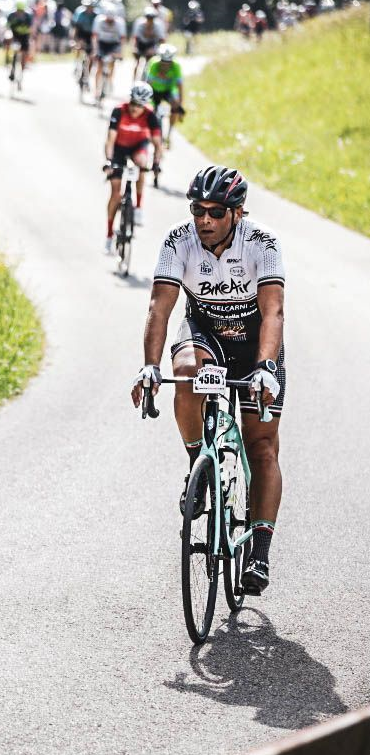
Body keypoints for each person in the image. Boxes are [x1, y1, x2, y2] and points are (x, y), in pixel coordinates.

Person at [131, 166, 286, 594]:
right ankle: (199, 467)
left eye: (215, 212)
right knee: (186, 376)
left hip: (256, 343)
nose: (204, 220)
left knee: (261, 446)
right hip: (207, 333)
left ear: (236, 213)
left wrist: (266, 367)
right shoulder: (178, 241)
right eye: (198, 210)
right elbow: (159, 309)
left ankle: (259, 551)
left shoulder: (263, 243)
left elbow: (273, 312)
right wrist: (148, 364)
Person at [103, 82, 162, 250]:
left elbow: (158, 144)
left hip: (138, 146)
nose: (135, 108)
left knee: (142, 164)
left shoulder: (151, 115)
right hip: (118, 149)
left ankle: (138, 206)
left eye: (140, 105)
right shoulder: (119, 111)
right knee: (115, 191)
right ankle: (108, 235)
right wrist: (109, 161)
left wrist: (156, 163)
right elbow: (110, 140)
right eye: (133, 103)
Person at [144, 44, 184, 148]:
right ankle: (147, 132)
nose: (165, 66)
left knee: (175, 106)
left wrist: (180, 105)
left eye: (168, 63)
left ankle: (169, 134)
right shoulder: (153, 64)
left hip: (168, 90)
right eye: (163, 63)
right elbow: (148, 85)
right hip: (154, 90)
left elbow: (180, 87)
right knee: (150, 109)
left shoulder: (176, 66)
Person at [92, 4, 127, 102]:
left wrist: (120, 53)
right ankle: (96, 90)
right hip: (102, 43)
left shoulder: (120, 23)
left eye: (111, 20)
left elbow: (122, 39)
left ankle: (109, 81)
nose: (109, 22)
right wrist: (95, 51)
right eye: (108, 20)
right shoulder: (99, 20)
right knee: (99, 67)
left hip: (114, 45)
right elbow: (95, 37)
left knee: (112, 64)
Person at [131, 7, 166, 80]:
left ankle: (147, 79)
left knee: (149, 63)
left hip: (151, 44)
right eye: (148, 18)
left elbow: (162, 40)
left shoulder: (158, 25)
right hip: (140, 44)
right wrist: (134, 48)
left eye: (152, 18)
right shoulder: (139, 23)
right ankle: (134, 81)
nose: (150, 20)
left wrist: (157, 49)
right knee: (136, 63)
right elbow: (135, 38)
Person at [7, 0, 33, 79]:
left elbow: (30, 28)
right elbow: (7, 27)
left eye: (21, 11)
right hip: (15, 35)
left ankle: (22, 71)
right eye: (18, 11)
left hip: (24, 36)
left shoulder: (28, 16)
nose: (19, 13)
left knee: (25, 52)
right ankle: (9, 63)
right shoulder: (11, 16)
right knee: (9, 41)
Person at [72, 0, 99, 67]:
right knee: (79, 46)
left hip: (92, 34)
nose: (89, 8)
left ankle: (87, 71)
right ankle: (76, 62)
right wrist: (74, 40)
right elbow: (77, 28)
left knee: (91, 53)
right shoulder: (81, 13)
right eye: (87, 6)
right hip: (82, 33)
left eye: (91, 7)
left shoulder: (97, 15)